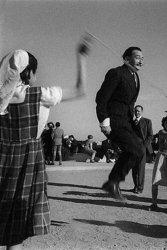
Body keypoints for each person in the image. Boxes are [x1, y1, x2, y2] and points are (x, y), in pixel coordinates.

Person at [0, 35, 92, 249]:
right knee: (17, 228)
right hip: (27, 162)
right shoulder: (41, 94)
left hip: (1, 160)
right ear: (30, 73)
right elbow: (80, 89)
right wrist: (81, 56)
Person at [96, 46, 144, 201]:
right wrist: (104, 121)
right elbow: (101, 98)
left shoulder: (135, 77)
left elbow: (129, 103)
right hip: (114, 121)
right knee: (135, 149)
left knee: (139, 150)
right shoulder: (116, 73)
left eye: (142, 58)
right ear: (126, 58)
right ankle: (113, 183)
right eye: (137, 57)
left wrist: (134, 120)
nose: (141, 61)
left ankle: (113, 182)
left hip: (128, 122)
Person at [132, 104, 153, 193]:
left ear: (142, 112)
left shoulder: (147, 121)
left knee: (140, 168)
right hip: (133, 148)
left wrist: (144, 146)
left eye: (138, 111)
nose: (137, 112)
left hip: (142, 147)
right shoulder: (131, 122)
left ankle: (140, 188)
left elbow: (150, 135)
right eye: (135, 111)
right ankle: (136, 186)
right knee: (134, 168)